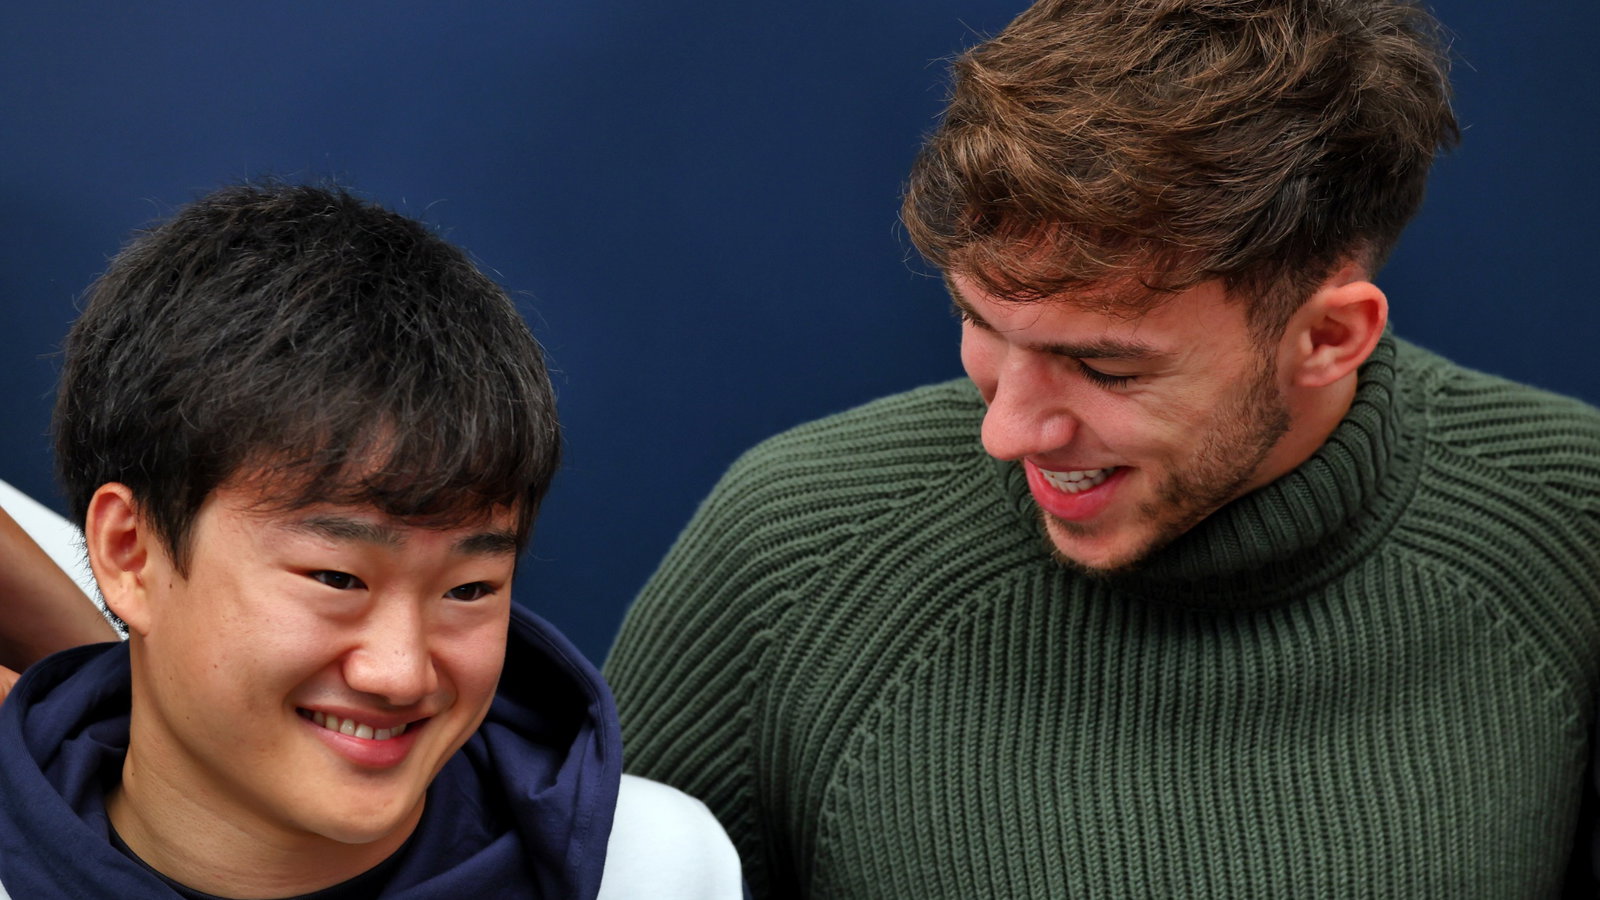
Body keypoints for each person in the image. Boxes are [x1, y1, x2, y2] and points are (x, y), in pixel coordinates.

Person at [604, 0, 1600, 896]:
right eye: (979, 324)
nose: (1006, 431)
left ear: (1329, 337)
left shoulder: (1574, 538)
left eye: (1104, 368)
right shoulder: (792, 556)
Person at [0, 183, 741, 899]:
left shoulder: (651, 865)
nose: (401, 673)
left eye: (470, 589)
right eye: (337, 578)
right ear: (132, 551)